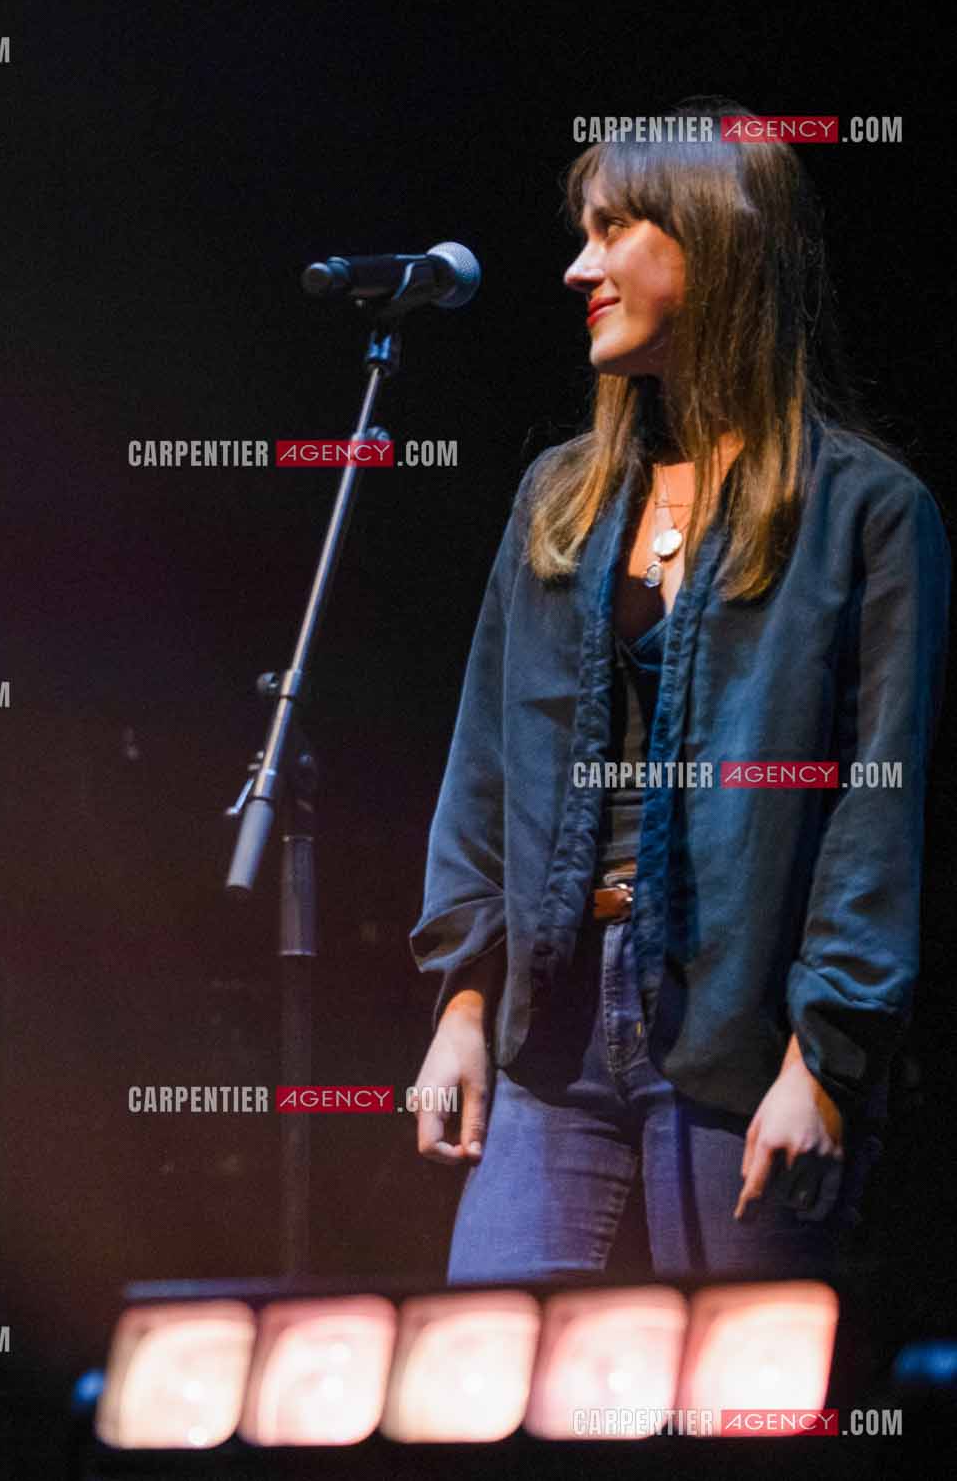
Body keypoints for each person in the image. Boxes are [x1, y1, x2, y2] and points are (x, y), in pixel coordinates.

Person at [407, 98, 948, 1281]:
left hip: (745, 1027)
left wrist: (827, 1061)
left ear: (713, 244)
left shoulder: (864, 512)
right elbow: (481, 764)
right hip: (552, 1029)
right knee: (485, 1393)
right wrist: (461, 1003)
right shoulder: (559, 496)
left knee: (736, 1423)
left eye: (613, 232)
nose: (577, 267)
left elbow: (876, 809)